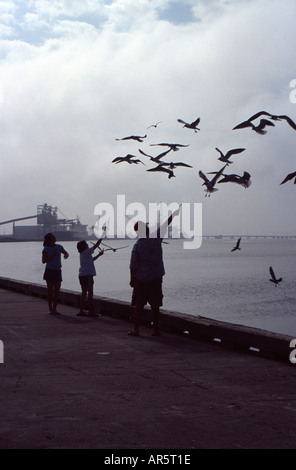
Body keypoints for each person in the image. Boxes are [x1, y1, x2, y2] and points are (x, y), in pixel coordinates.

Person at [128, 207, 180, 336]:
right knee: (155, 305)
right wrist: (173, 215)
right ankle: (155, 329)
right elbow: (166, 224)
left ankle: (136, 329)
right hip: (156, 277)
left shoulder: (137, 246)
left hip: (141, 278)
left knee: (139, 305)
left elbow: (133, 266)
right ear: (147, 229)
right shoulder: (156, 237)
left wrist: (132, 279)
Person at [76, 233, 105, 317]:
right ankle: (90, 312)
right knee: (90, 294)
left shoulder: (83, 254)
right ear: (84, 246)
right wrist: (103, 235)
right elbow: (97, 245)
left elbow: (92, 260)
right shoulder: (87, 251)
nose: (88, 245)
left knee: (84, 293)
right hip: (88, 275)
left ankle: (81, 311)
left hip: (82, 275)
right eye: (86, 244)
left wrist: (99, 255)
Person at [42, 232, 69, 314]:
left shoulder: (59, 247)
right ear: (50, 239)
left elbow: (66, 253)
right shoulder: (46, 248)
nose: (55, 237)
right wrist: (52, 255)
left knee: (57, 291)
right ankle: (50, 309)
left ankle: (55, 309)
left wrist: (66, 255)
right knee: (50, 291)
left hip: (57, 270)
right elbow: (43, 261)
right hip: (49, 270)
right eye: (53, 236)